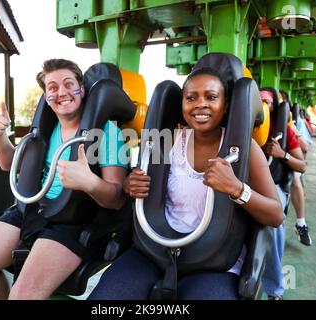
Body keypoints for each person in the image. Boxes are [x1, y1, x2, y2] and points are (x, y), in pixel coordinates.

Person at [88, 68, 283, 300]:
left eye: (211, 97)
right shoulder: (165, 142)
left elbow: (276, 215)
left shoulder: (244, 150)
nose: (200, 104)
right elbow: (137, 186)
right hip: (155, 250)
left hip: (214, 261)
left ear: (226, 105)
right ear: (182, 105)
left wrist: (237, 189)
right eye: (191, 98)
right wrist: (130, 185)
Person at [0, 59, 127, 300]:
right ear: (46, 96)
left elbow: (116, 199)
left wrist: (89, 182)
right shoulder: (47, 128)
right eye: (52, 88)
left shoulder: (106, 132)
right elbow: (9, 163)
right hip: (32, 212)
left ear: (81, 89)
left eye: (68, 84)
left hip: (72, 221)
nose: (61, 92)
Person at [259, 90, 306, 300]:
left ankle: (274, 289)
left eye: (267, 102)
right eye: (259, 101)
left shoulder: (284, 130)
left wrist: (282, 154)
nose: (263, 106)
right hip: (245, 183)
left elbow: (302, 165)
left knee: (274, 222)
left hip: (272, 184)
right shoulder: (244, 124)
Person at [290, 109, 313, 246]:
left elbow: (304, 147)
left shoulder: (294, 121)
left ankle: (301, 224)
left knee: (295, 178)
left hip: (288, 160)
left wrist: (294, 131)